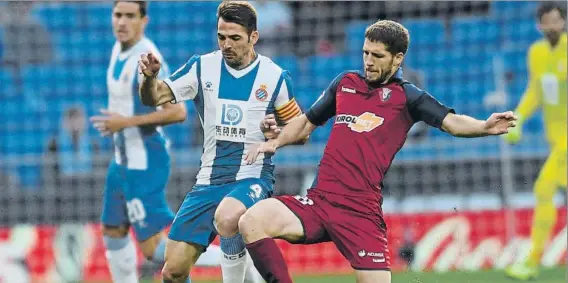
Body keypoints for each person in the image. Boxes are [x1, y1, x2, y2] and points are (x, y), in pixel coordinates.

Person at [239, 19, 517, 283]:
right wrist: (275, 142)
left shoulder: (408, 97)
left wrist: (484, 126)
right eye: (365, 53)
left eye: (378, 55)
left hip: (361, 213)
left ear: (398, 59)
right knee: (253, 220)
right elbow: (305, 124)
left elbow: (452, 122)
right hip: (320, 202)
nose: (368, 61)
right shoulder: (345, 83)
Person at [138, 1, 301, 283]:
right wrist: (150, 79)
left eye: (235, 38)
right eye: (221, 37)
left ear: (253, 37)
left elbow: (301, 130)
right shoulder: (202, 68)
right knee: (172, 272)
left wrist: (277, 134)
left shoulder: (274, 77)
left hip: (251, 177)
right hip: (207, 183)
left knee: (228, 217)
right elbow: (154, 97)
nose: (226, 44)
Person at [89, 2, 224, 283]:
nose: (122, 22)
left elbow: (178, 111)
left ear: (144, 20)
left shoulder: (146, 58)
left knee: (155, 250)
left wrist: (123, 123)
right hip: (121, 160)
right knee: (113, 229)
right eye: (118, 15)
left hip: (144, 160)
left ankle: (231, 257)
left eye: (130, 16)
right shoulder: (118, 49)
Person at [504, 2, 567, 281]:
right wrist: (518, 116)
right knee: (545, 192)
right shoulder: (537, 53)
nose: (552, 26)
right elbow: (535, 92)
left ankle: (531, 260)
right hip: (555, 141)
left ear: (563, 22)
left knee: (543, 188)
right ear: (539, 26)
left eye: (556, 20)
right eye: (547, 22)